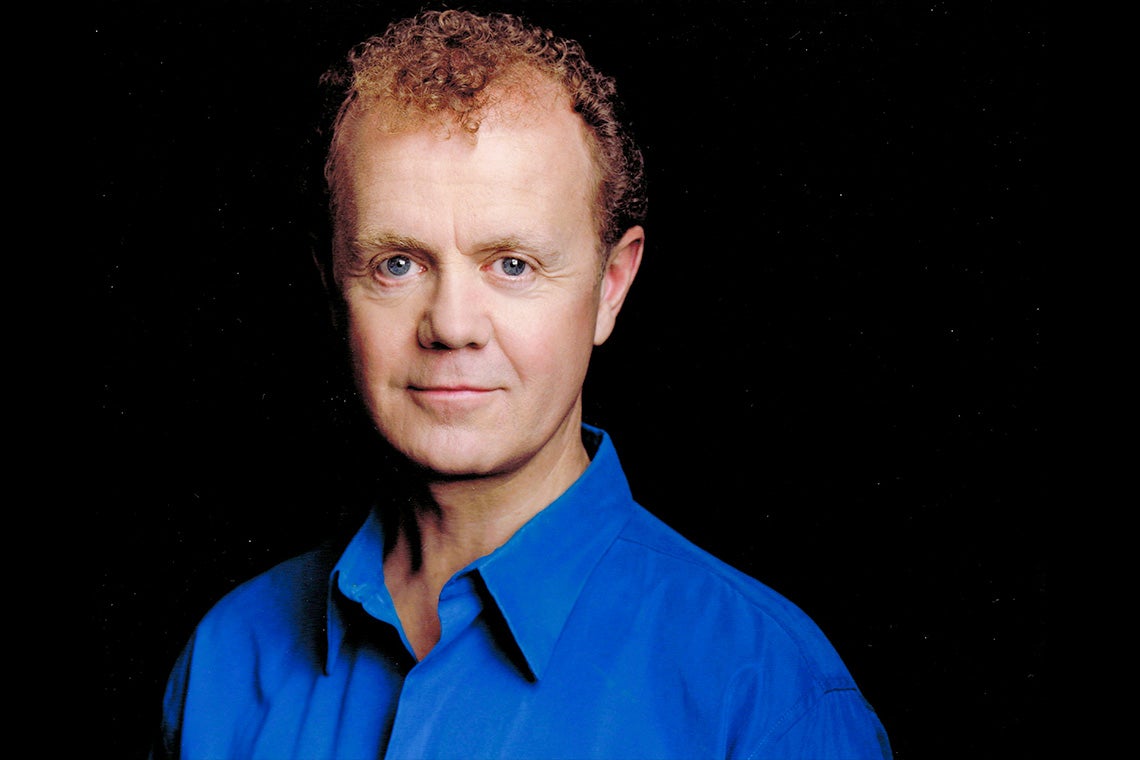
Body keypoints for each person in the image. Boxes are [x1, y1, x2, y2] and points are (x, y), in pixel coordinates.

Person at [152, 8, 892, 759]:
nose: (451, 326)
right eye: (396, 264)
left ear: (611, 285)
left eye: (513, 265)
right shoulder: (224, 662)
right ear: (333, 285)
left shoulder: (766, 696)